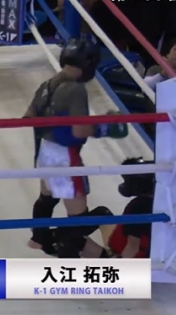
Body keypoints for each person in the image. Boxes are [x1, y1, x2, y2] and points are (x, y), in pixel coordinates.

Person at [24, 39, 129, 256]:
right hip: (64, 156)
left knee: (47, 198)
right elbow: (79, 131)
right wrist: (105, 128)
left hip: (45, 151)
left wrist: (55, 124)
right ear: (89, 62)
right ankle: (64, 250)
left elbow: (29, 118)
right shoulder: (75, 89)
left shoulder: (47, 84)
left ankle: (39, 238)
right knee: (80, 220)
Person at [55, 157, 154, 259]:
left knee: (70, 240)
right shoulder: (156, 201)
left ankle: (59, 236)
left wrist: (119, 264)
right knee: (101, 215)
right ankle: (60, 233)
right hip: (135, 251)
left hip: (124, 254)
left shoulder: (139, 207)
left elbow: (133, 247)